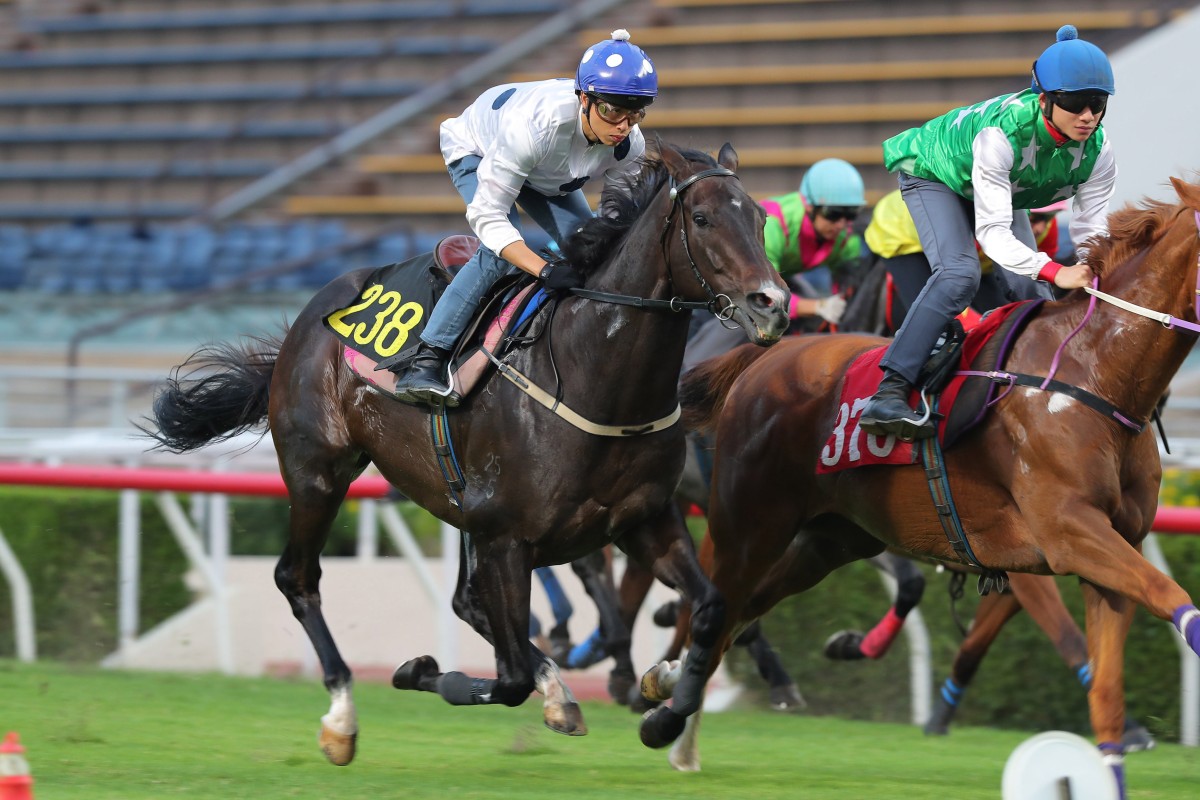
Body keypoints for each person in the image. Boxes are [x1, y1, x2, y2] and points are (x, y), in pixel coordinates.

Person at [859, 24, 1115, 440]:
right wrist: (1056, 270)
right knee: (960, 275)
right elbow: (993, 234)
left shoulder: (1100, 151)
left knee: (1031, 289)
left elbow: (1090, 229)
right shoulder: (1001, 136)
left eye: (1098, 103)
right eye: (1075, 103)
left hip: (999, 185)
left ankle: (1044, 387)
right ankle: (889, 392)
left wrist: (1094, 267)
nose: (1088, 116)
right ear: (1045, 99)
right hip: (934, 171)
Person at [390, 29, 657, 406]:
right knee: (499, 253)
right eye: (611, 111)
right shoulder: (534, 128)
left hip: (546, 171)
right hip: (480, 149)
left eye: (634, 115)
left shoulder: (631, 144)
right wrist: (543, 270)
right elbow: (488, 217)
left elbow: (615, 220)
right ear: (584, 99)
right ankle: (427, 358)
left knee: (598, 250)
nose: (621, 127)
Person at [760, 157, 867, 326]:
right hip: (737, 286)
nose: (841, 224)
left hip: (784, 279)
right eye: (833, 213)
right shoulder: (771, 224)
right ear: (809, 206)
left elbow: (850, 283)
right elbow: (763, 294)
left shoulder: (846, 235)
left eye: (851, 214)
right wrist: (817, 306)